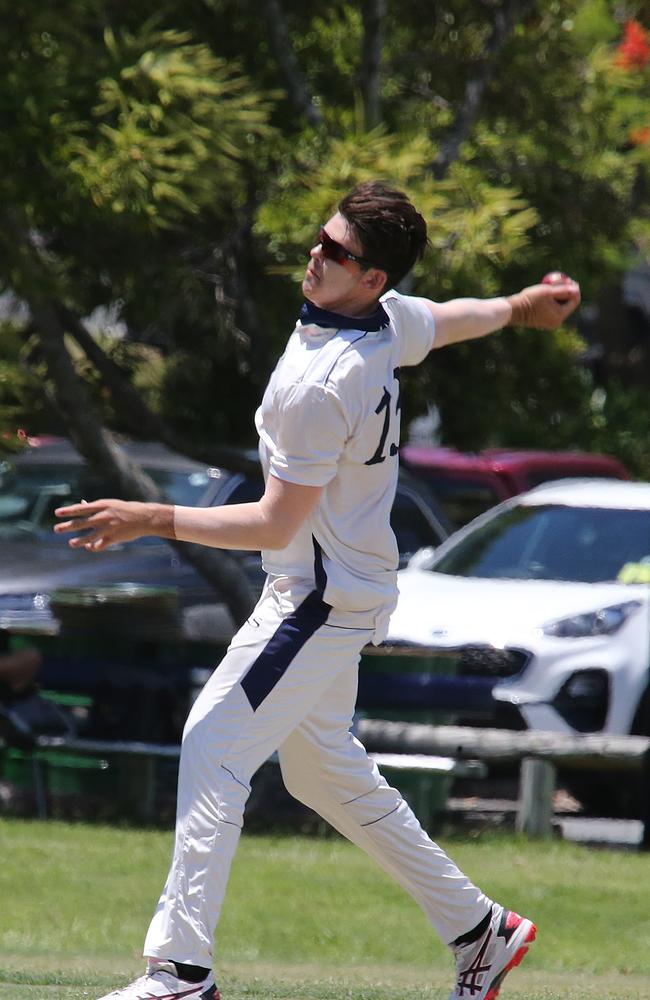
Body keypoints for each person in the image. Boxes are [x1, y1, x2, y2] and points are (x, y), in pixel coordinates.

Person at [54, 181, 581, 1000]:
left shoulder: (323, 382)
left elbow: (271, 524)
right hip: (340, 586)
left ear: (371, 278)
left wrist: (151, 514)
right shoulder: (385, 320)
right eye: (321, 240)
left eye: (337, 252)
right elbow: (450, 319)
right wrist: (521, 305)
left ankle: (179, 974)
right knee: (320, 773)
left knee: (212, 741)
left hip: (317, 597)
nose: (317, 255)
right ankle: (482, 930)